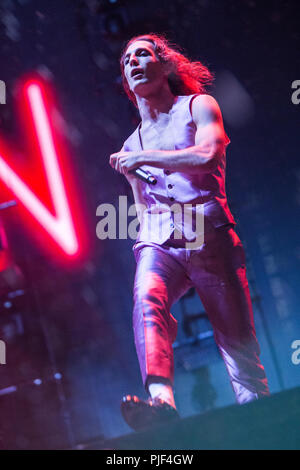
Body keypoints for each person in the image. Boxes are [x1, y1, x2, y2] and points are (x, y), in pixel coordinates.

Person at [110, 33, 270, 431]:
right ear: (127, 84)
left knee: (238, 348)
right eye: (127, 60)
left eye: (143, 54)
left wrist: (143, 158)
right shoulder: (133, 142)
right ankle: (160, 400)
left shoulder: (199, 106)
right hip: (160, 239)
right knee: (147, 297)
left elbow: (208, 154)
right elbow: (144, 207)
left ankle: (265, 424)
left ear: (165, 66)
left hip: (208, 232)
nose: (133, 63)